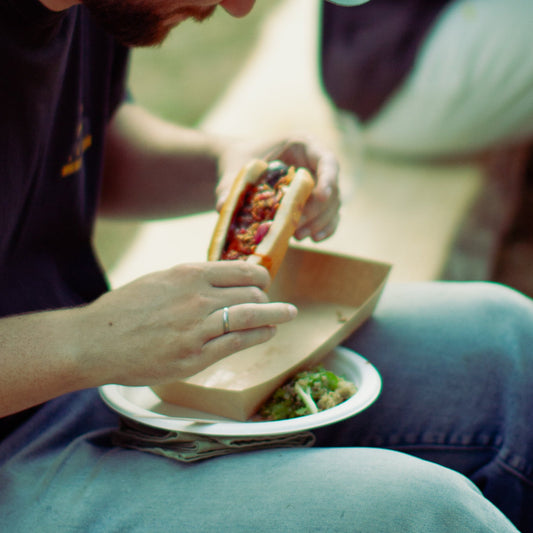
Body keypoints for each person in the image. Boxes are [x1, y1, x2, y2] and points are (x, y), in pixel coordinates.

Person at [0, 0, 528, 531]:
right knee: (424, 514)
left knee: (509, 343)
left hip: (93, 383)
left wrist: (231, 167)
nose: (239, 6)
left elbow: (84, 144)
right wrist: (91, 342)